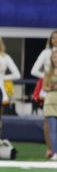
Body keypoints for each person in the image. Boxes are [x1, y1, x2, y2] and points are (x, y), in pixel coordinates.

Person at [31, 30, 57, 158]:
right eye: (53, 38)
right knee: (48, 121)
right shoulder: (46, 53)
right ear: (50, 40)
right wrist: (48, 77)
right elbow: (34, 70)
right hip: (49, 90)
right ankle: (51, 148)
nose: (55, 40)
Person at [42, 51, 57, 160]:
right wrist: (52, 88)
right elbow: (44, 87)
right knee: (52, 130)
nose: (55, 59)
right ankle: (55, 152)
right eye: (54, 57)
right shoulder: (48, 72)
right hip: (50, 102)